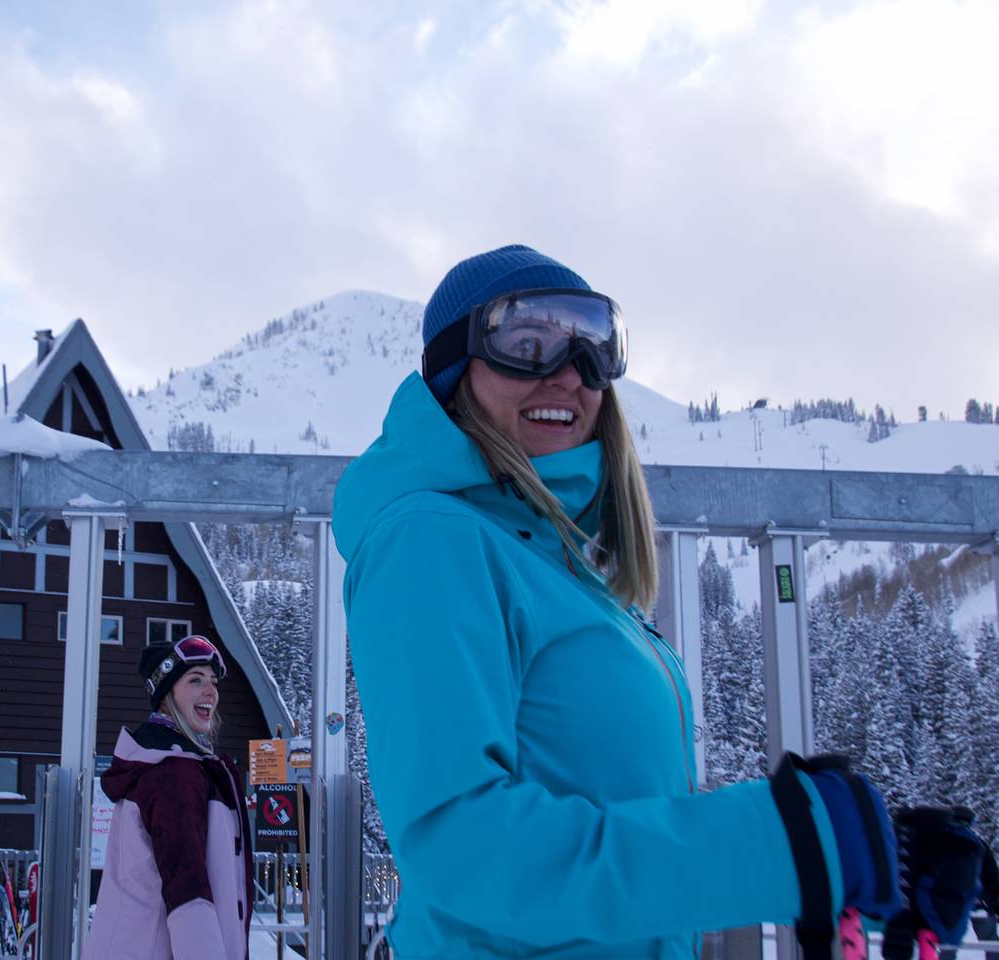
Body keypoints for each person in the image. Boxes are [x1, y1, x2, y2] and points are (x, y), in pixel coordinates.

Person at [334, 245, 929, 959]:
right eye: (525, 345)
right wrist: (782, 848)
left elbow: (615, 807)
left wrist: (872, 847)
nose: (566, 376)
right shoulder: (431, 540)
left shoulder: (554, 558)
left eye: (592, 351)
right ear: (456, 373)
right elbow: (460, 843)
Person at [83, 636, 251, 960]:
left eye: (213, 682)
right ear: (166, 694)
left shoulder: (161, 764)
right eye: (195, 680)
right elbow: (188, 891)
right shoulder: (173, 773)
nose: (210, 692)